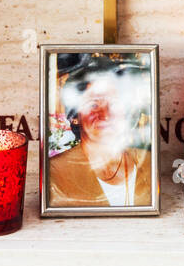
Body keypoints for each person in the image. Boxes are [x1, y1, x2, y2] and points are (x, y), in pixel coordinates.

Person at [48, 54, 153, 208]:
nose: (105, 114)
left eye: (114, 103)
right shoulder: (56, 171)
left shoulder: (149, 162)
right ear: (75, 115)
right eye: (93, 105)